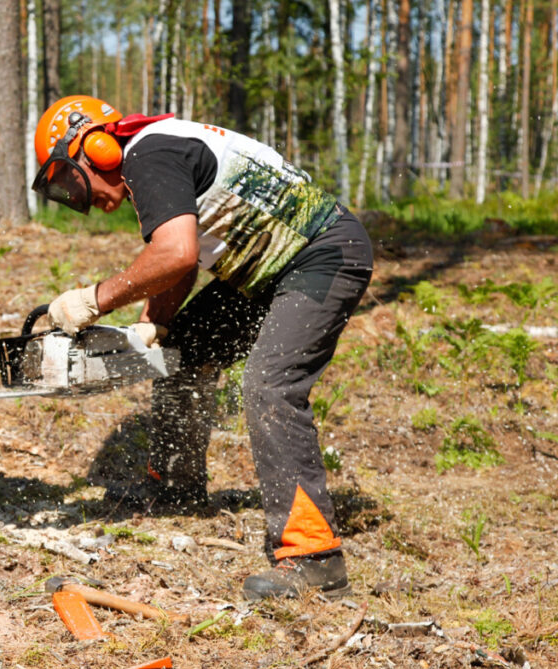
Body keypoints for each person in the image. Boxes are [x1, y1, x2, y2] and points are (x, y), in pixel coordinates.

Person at [31, 95, 373, 600]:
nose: (76, 198)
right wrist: (156, 326)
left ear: (97, 147)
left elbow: (175, 252)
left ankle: (314, 558)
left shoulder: (149, 155)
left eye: (69, 179)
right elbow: (182, 259)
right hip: (270, 269)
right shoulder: (155, 155)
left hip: (322, 255)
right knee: (184, 353)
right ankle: (175, 487)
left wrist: (93, 300)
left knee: (271, 387)